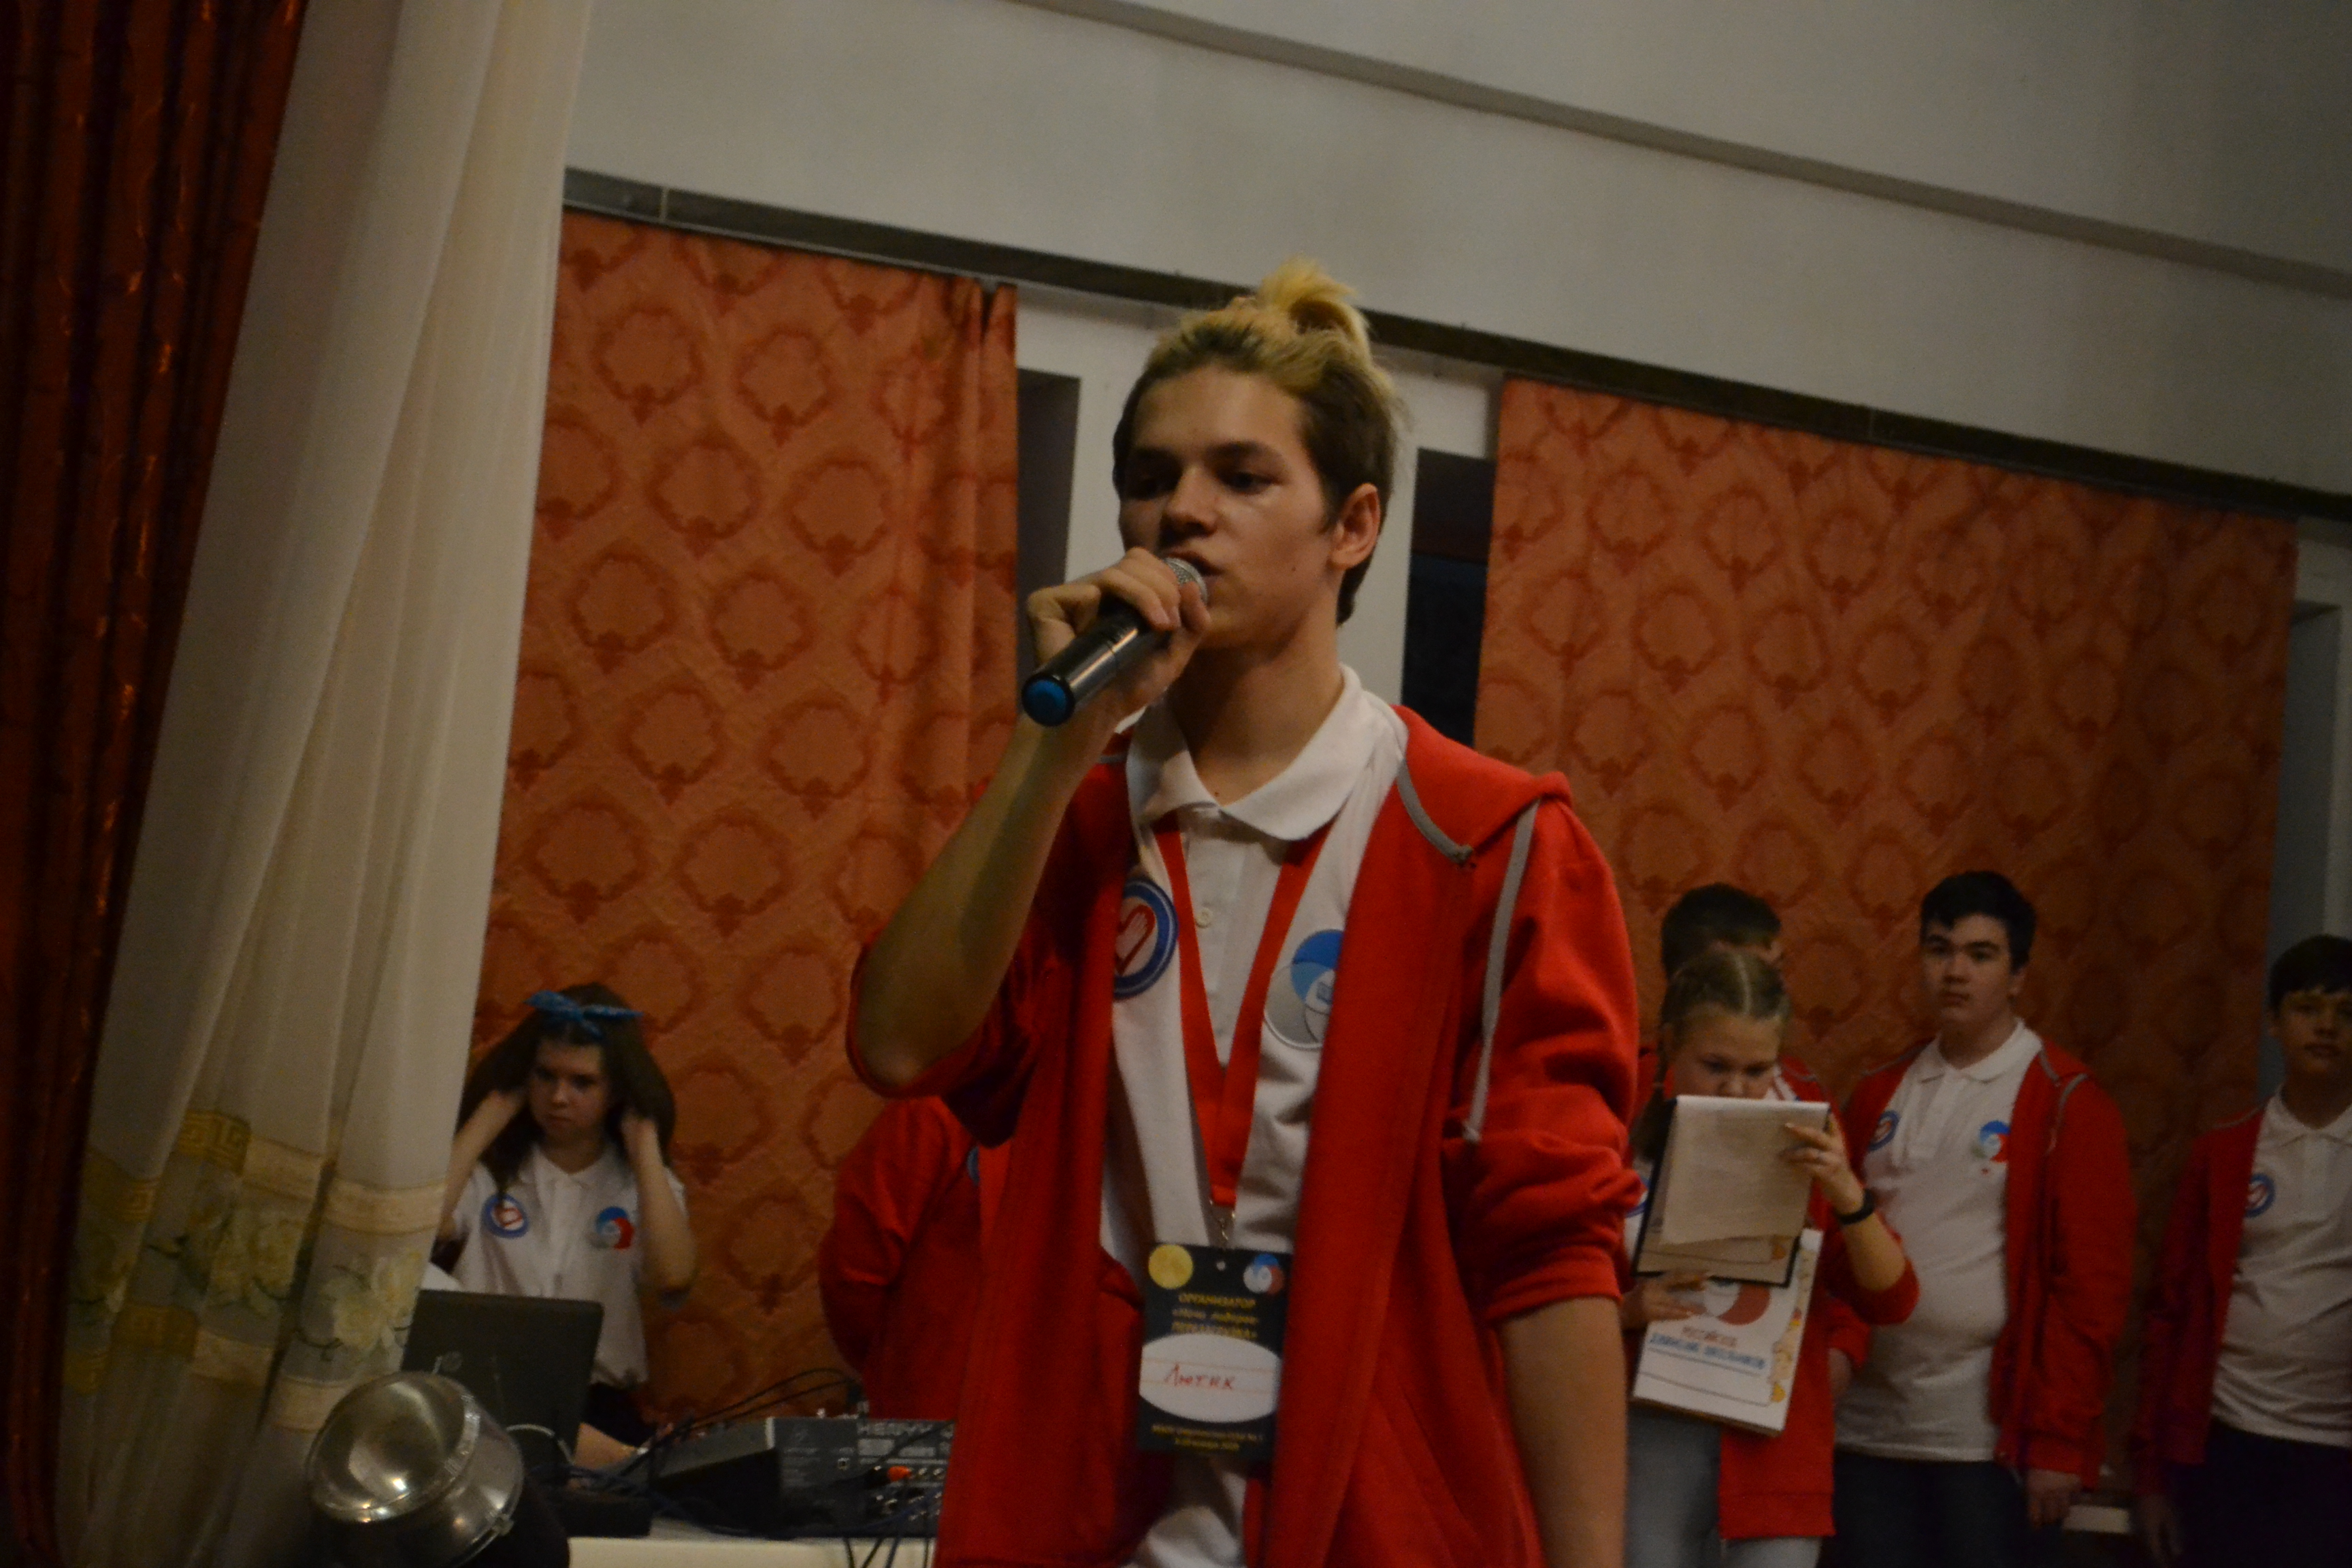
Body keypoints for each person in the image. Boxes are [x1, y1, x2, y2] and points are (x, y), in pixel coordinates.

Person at [850, 261, 1642, 1568]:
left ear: (1354, 526)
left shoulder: (1486, 837)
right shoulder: (1077, 820)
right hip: (1097, 1520)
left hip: (1373, 1526)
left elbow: (1552, 1250)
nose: (1182, 510)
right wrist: (1053, 745)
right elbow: (899, 1046)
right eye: (1151, 475)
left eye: (1242, 475)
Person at [1831, 872, 2135, 1567]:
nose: (1956, 971)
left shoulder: (2065, 1098)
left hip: (1986, 1442)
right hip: (1866, 1432)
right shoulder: (1879, 1090)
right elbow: (1836, 1251)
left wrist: (2059, 1441)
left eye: (1981, 954)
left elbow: (2091, 1289)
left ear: (2019, 975)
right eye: (1940, 949)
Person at [1621, 949, 1918, 1568]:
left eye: (1757, 1070)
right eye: (1715, 1066)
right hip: (1649, 1432)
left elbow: (1893, 1299)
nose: (1736, 1089)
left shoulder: (1803, 1148)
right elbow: (1554, 1302)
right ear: (1670, 1046)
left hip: (1772, 1452)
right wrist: (1626, 1311)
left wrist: (1848, 1195)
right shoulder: (1617, 1140)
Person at [2132, 934, 2352, 1568]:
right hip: (2228, 1439)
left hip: (2335, 1454)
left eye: (2346, 1012)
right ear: (2275, 1023)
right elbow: (2170, 1313)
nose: (2327, 1026)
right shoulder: (2225, 1153)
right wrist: (2151, 1476)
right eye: (2308, 1008)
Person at [440, 985, 696, 1462]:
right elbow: (420, 1230)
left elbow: (674, 1275)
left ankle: (621, 1459)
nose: (558, 1098)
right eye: (545, 1076)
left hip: (596, 1402)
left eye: (583, 1083)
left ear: (616, 1090)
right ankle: (622, 1460)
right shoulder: (490, 1171)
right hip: (487, 1394)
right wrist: (487, 1120)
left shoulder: (640, 1184)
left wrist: (644, 1145)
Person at [818, 1096, 1007, 1419]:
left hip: (945, 1401)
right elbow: (856, 1275)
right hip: (945, 1408)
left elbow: (854, 1273)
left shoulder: (942, 1105)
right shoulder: (943, 1106)